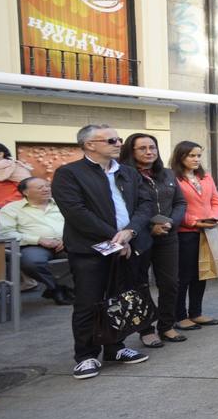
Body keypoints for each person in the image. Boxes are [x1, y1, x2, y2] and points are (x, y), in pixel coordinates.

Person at [52, 124, 157, 380]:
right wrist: (114, 238)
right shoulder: (69, 174)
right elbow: (76, 212)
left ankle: (116, 347)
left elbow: (146, 204)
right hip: (90, 250)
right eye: (111, 140)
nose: (118, 143)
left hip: (127, 245)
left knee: (119, 299)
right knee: (89, 302)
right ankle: (86, 355)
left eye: (119, 139)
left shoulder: (128, 172)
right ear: (90, 144)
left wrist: (130, 231)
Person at [121, 133, 186, 348]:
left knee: (170, 283)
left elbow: (180, 203)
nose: (149, 152)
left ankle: (166, 325)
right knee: (140, 284)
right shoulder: (124, 175)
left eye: (152, 147)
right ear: (131, 151)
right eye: (142, 148)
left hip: (168, 235)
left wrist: (169, 223)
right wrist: (150, 226)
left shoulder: (167, 174)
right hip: (138, 236)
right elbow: (129, 207)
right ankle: (146, 329)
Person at [0, 177, 72, 305]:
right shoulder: (11, 209)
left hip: (65, 243)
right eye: (40, 187)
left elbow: (76, 223)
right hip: (33, 246)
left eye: (47, 186)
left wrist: (67, 238)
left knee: (90, 253)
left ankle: (76, 287)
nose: (46, 189)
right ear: (25, 192)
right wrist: (39, 240)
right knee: (32, 262)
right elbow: (5, 233)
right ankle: (56, 288)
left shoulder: (62, 203)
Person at [172, 141, 218, 334]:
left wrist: (214, 217)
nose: (196, 159)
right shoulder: (173, 178)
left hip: (207, 231)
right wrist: (195, 221)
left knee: (202, 273)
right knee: (184, 276)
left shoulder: (205, 176)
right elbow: (174, 207)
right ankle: (180, 316)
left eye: (198, 155)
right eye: (191, 155)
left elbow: (216, 200)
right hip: (186, 233)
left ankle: (196, 312)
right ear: (180, 156)